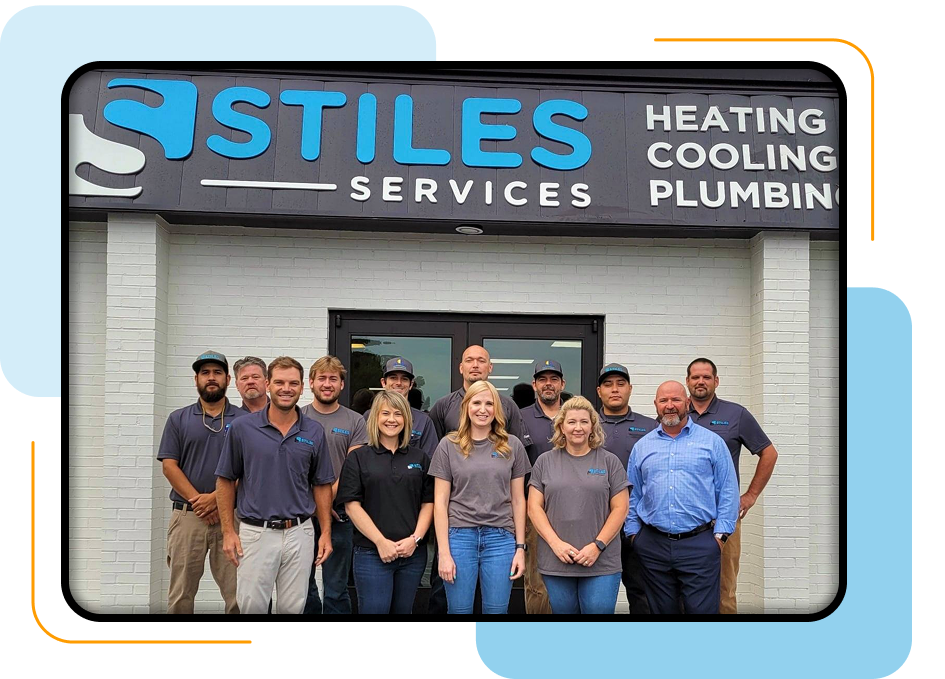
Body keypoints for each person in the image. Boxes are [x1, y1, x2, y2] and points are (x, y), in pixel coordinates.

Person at [215, 356, 335, 614]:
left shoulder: (314, 431)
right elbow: (225, 480)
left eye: (293, 383)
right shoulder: (242, 428)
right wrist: (228, 531)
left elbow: (322, 484)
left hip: (300, 532)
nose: (286, 389)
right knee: (252, 607)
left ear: (302, 387)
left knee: (293, 608)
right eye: (279, 382)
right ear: (268, 384)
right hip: (255, 532)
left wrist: (325, 532)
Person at [427, 344, 533, 613]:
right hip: (459, 537)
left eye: (489, 403)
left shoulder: (512, 446)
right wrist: (444, 552)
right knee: (459, 610)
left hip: (501, 539)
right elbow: (440, 502)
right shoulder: (448, 445)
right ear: (466, 407)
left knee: (496, 611)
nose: (482, 409)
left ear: (497, 409)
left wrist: (520, 548)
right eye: (476, 403)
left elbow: (518, 500)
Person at [625, 381, 738, 614]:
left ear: (687, 402)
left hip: (700, 544)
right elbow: (633, 494)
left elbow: (728, 490)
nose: (670, 405)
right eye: (663, 400)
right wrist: (634, 535)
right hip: (653, 546)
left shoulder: (712, 442)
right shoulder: (642, 446)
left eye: (676, 399)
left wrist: (720, 536)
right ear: (655, 404)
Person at [684, 357, 779, 614]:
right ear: (687, 382)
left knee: (724, 590)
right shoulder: (677, 413)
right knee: (683, 589)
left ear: (716, 381)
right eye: (695, 377)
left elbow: (769, 453)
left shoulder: (736, 414)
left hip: (724, 516)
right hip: (685, 518)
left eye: (706, 377)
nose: (700, 381)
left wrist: (750, 495)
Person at [157, 351, 248, 614]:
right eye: (205, 373)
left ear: (228, 379)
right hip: (188, 516)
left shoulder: (245, 421)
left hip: (231, 517)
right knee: (181, 595)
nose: (211, 378)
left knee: (238, 596)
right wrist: (200, 503)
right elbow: (169, 466)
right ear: (196, 379)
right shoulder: (178, 419)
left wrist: (216, 500)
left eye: (217, 372)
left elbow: (250, 469)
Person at [527, 396, 630, 614]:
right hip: (557, 560)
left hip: (601, 562)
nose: (578, 428)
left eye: (584, 422)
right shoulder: (544, 461)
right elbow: (534, 508)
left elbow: (621, 508)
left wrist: (597, 546)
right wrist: (556, 544)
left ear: (592, 426)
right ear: (561, 426)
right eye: (571, 422)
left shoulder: (609, 461)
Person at [337, 390, 434, 613]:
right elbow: (351, 505)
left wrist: (415, 539)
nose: (392, 419)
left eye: (398, 414)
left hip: (412, 554)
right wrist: (381, 542)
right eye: (386, 413)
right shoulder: (358, 457)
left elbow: (428, 503)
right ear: (375, 418)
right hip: (371, 553)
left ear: (406, 419)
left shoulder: (419, 458)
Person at [300, 356, 369, 614]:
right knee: (302, 586)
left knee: (336, 588)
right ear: (311, 382)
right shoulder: (297, 417)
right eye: (322, 378)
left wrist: (325, 502)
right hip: (302, 513)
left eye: (333, 379)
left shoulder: (355, 421)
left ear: (341, 384)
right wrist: (316, 503)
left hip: (339, 514)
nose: (327, 384)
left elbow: (351, 468)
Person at [596, 362, 658, 614]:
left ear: (630, 388)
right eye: (608, 385)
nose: (615, 389)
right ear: (599, 391)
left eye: (620, 384)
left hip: (639, 524)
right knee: (596, 597)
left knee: (642, 593)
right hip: (597, 524)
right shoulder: (585, 425)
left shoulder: (650, 427)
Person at [518, 359, 567, 614]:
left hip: (572, 509)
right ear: (534, 384)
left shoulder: (574, 415)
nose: (548, 384)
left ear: (562, 384)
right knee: (536, 580)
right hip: (533, 509)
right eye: (543, 380)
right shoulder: (520, 417)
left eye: (554, 379)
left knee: (570, 577)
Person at [367, 357, 437, 458]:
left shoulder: (424, 421)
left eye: (404, 379)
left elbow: (430, 460)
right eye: (393, 378)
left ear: (411, 384)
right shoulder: (368, 416)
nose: (399, 383)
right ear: (383, 382)